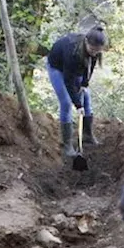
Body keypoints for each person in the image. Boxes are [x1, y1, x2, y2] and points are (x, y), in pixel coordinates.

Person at [46, 26, 107, 162]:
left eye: (97, 51)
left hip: (76, 69)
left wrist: (85, 84)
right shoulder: (72, 52)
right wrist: (77, 105)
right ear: (86, 42)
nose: (94, 53)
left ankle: (87, 135)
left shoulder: (95, 52)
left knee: (86, 96)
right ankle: (67, 145)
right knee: (67, 103)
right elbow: (68, 82)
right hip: (58, 68)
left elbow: (89, 68)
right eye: (92, 50)